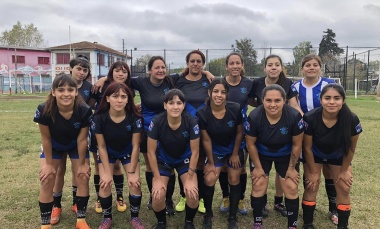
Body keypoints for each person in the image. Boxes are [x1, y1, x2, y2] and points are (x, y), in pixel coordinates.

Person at [34, 74, 92, 229]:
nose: (66, 93)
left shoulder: (84, 110)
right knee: (47, 178)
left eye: (70, 89)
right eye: (61, 90)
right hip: (53, 145)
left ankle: (81, 220)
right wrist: (48, 164)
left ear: (76, 92)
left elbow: (82, 140)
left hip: (75, 144)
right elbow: (46, 139)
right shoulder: (44, 109)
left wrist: (82, 164)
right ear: (53, 92)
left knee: (82, 175)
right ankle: (46, 223)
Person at [301, 83, 362, 229]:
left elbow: (351, 148)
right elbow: (307, 148)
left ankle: (342, 225)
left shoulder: (352, 119)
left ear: (343, 100)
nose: (332, 102)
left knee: (344, 187)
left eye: (337, 98)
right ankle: (308, 224)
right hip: (315, 154)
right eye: (327, 98)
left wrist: (344, 170)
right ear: (321, 100)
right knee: (311, 186)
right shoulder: (310, 117)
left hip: (338, 155)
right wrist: (314, 172)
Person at [245, 84, 304, 229]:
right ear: (262, 100)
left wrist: (292, 168)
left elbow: (297, 144)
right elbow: (250, 144)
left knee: (290, 186)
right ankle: (258, 222)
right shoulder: (254, 116)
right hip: (261, 153)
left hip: (285, 154)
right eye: (268, 100)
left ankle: (292, 225)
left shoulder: (294, 116)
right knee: (259, 183)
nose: (273, 105)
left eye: (277, 100)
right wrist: (258, 168)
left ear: (284, 100)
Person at [251, 54, 303, 217]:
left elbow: (294, 106)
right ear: (265, 67)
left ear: (281, 67)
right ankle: (262, 204)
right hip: (263, 130)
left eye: (277, 64)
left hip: (283, 130)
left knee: (284, 175)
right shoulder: (257, 83)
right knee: (261, 177)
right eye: (270, 65)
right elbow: (248, 100)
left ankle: (279, 201)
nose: (273, 67)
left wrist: (303, 123)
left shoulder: (288, 84)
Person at [291, 54, 338, 225]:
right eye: (307, 65)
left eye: (315, 65)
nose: (311, 67)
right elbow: (294, 107)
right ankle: (309, 209)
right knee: (311, 169)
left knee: (329, 170)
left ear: (320, 67)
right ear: (302, 68)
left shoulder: (329, 84)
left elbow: (336, 106)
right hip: (306, 133)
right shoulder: (295, 86)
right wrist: (309, 123)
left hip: (328, 133)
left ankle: (334, 209)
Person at [50, 56, 96, 225]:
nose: (82, 72)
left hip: (79, 133)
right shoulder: (59, 84)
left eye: (85, 70)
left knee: (80, 171)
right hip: (60, 135)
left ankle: (77, 203)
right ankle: (56, 205)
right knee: (58, 171)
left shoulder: (90, 87)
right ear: (71, 68)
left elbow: (91, 106)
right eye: (79, 68)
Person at [92, 82, 145, 229]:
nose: (119, 100)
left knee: (135, 183)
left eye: (123, 96)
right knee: (105, 182)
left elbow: (136, 146)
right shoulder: (99, 118)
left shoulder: (135, 117)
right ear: (107, 98)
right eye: (115, 96)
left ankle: (135, 218)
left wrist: (133, 172)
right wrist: (106, 173)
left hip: (128, 151)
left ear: (128, 99)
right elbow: (101, 146)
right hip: (108, 152)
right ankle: (107, 218)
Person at [147, 89, 200, 229]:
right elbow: (151, 152)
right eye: (171, 103)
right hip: (164, 159)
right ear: (165, 105)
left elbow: (195, 152)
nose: (175, 106)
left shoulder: (191, 121)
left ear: (184, 105)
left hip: (184, 159)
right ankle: (161, 223)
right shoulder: (157, 121)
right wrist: (157, 179)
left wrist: (189, 179)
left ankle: (189, 222)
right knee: (157, 196)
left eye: (179, 103)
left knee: (193, 194)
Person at [197, 79, 244, 229]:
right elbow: (206, 139)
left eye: (223, 92)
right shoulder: (202, 112)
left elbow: (239, 132)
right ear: (209, 93)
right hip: (215, 150)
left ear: (227, 94)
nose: (219, 95)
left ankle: (232, 216)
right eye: (216, 91)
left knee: (234, 177)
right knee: (210, 178)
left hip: (233, 149)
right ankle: (208, 214)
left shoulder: (235, 108)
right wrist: (211, 162)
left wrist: (235, 153)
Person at [90, 61, 133, 214]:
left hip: (120, 132)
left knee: (116, 166)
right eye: (117, 71)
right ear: (111, 72)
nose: (120, 74)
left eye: (124, 71)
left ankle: (119, 196)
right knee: (99, 166)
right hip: (101, 130)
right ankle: (100, 198)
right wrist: (102, 79)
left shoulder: (130, 87)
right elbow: (89, 106)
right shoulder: (101, 86)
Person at [174, 50, 210, 214]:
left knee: (200, 162)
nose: (195, 64)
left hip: (204, 127)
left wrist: (207, 73)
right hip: (184, 128)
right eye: (192, 61)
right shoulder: (179, 81)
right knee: (185, 161)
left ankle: (201, 197)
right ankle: (183, 194)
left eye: (199, 61)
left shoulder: (208, 80)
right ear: (187, 63)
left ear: (203, 64)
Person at [219, 52, 254, 216]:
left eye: (237, 63)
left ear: (242, 65)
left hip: (241, 130)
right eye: (231, 63)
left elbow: (256, 100)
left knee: (240, 168)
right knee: (225, 167)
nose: (234, 66)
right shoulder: (218, 83)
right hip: (221, 129)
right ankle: (226, 197)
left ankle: (240, 198)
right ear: (226, 66)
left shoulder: (248, 83)